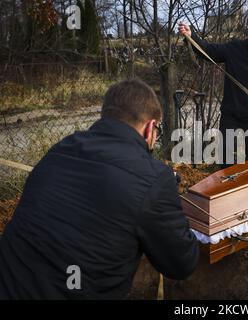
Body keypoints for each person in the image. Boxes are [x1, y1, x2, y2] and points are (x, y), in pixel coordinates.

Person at [0, 79, 199, 299]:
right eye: (157, 132)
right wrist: (165, 197)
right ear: (150, 128)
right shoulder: (154, 178)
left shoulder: (61, 149)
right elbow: (182, 264)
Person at [178, 17, 248, 167]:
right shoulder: (235, 48)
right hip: (231, 113)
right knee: (225, 159)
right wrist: (191, 36)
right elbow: (209, 51)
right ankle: (224, 186)